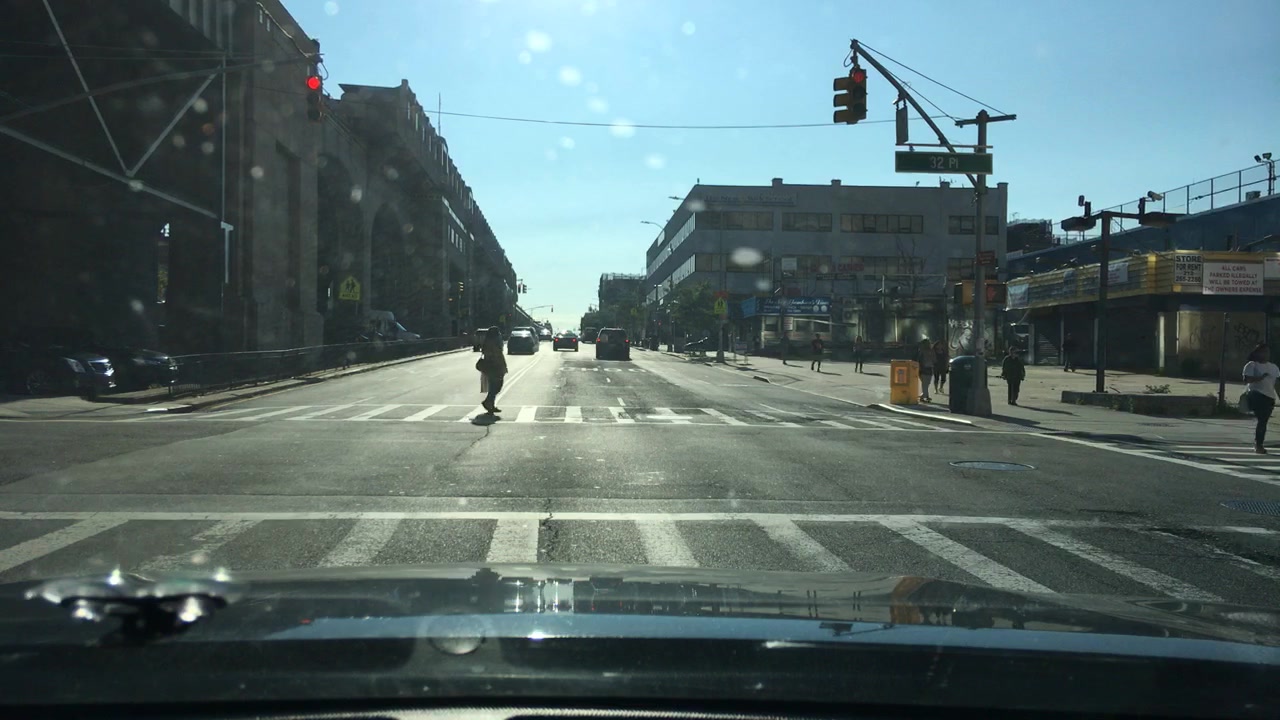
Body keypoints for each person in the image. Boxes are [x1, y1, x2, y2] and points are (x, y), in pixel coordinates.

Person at [1242, 343, 1279, 454]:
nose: (1266, 354)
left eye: (1267, 352)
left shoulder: (1273, 367)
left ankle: (1259, 444)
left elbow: (1277, 384)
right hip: (1256, 395)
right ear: (1257, 353)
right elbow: (1247, 380)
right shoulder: (1252, 365)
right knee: (1262, 420)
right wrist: (1260, 378)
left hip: (1269, 397)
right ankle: (1258, 445)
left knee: (1263, 421)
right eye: (1263, 352)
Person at [476, 325, 508, 414]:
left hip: (493, 368)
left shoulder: (490, 342)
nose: (500, 334)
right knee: (495, 386)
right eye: (498, 333)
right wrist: (500, 366)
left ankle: (491, 405)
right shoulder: (492, 343)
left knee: (494, 387)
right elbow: (495, 356)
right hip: (494, 368)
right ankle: (488, 402)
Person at [916, 337, 934, 402]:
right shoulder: (922, 351)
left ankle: (924, 395)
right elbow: (919, 361)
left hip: (928, 368)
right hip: (924, 368)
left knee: (926, 383)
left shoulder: (930, 351)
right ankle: (924, 396)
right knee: (925, 384)